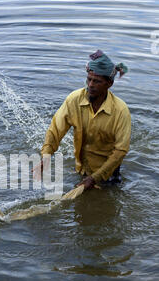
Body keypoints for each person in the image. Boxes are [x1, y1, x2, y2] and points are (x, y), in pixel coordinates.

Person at [33, 50, 131, 190]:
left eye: (96, 81)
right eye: (89, 79)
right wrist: (46, 157)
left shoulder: (120, 111)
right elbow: (55, 130)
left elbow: (121, 151)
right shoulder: (74, 100)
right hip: (81, 169)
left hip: (107, 175)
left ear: (109, 84)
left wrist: (94, 178)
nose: (90, 85)